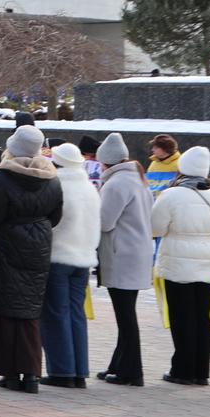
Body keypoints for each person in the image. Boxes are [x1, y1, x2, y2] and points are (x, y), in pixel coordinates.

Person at [0, 125, 63, 393]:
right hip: (40, 244)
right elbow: (56, 215)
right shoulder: (52, 177)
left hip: (8, 243)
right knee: (30, 309)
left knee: (6, 308)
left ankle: (9, 372)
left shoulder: (3, 177)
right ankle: (31, 374)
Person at [151, 145, 210, 387]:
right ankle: (200, 371)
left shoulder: (171, 195)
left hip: (178, 259)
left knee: (182, 316)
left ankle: (182, 370)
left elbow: (156, 227)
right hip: (208, 259)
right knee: (202, 316)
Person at [93, 133, 152, 386]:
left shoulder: (117, 184)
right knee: (126, 315)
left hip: (121, 254)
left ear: (107, 161)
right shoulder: (139, 180)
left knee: (125, 318)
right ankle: (118, 365)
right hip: (136, 253)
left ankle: (132, 371)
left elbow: (105, 221)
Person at [41, 143, 101, 388]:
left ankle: (62, 371)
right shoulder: (89, 187)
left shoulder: (57, 185)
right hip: (83, 258)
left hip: (59, 256)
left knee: (56, 313)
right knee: (76, 313)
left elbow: (50, 221)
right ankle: (79, 370)